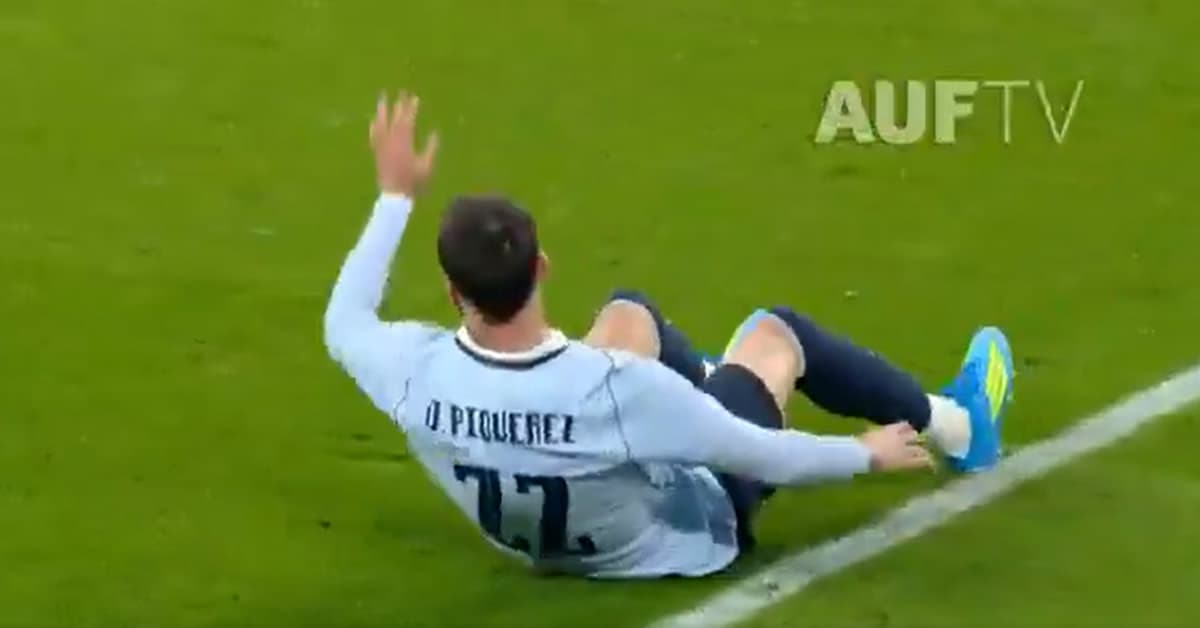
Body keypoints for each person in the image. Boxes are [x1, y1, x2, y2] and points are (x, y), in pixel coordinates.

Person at [323, 92, 1015, 578]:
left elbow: (344, 320)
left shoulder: (412, 370)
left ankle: (707, 384)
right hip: (681, 537)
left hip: (536, 539)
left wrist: (395, 196)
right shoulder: (620, 391)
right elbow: (765, 456)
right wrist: (863, 454)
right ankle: (960, 425)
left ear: (454, 292)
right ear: (541, 267)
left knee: (630, 314)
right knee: (775, 335)